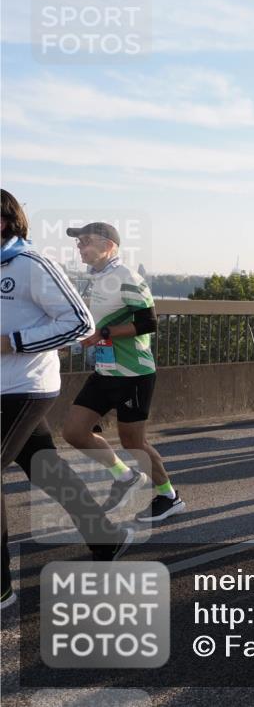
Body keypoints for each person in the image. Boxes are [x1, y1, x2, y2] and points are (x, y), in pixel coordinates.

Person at [2, 190, 133, 609]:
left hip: (25, 387)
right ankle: (107, 538)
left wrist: (13, 342)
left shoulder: (31, 264)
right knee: (47, 469)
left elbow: (79, 323)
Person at [60, 222, 181, 522]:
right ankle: (124, 476)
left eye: (86, 241)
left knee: (133, 442)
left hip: (133, 374)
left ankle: (169, 496)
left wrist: (103, 332)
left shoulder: (126, 277)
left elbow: (149, 322)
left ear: (109, 245)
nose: (80, 247)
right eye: (78, 242)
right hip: (105, 370)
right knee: (74, 432)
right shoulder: (98, 278)